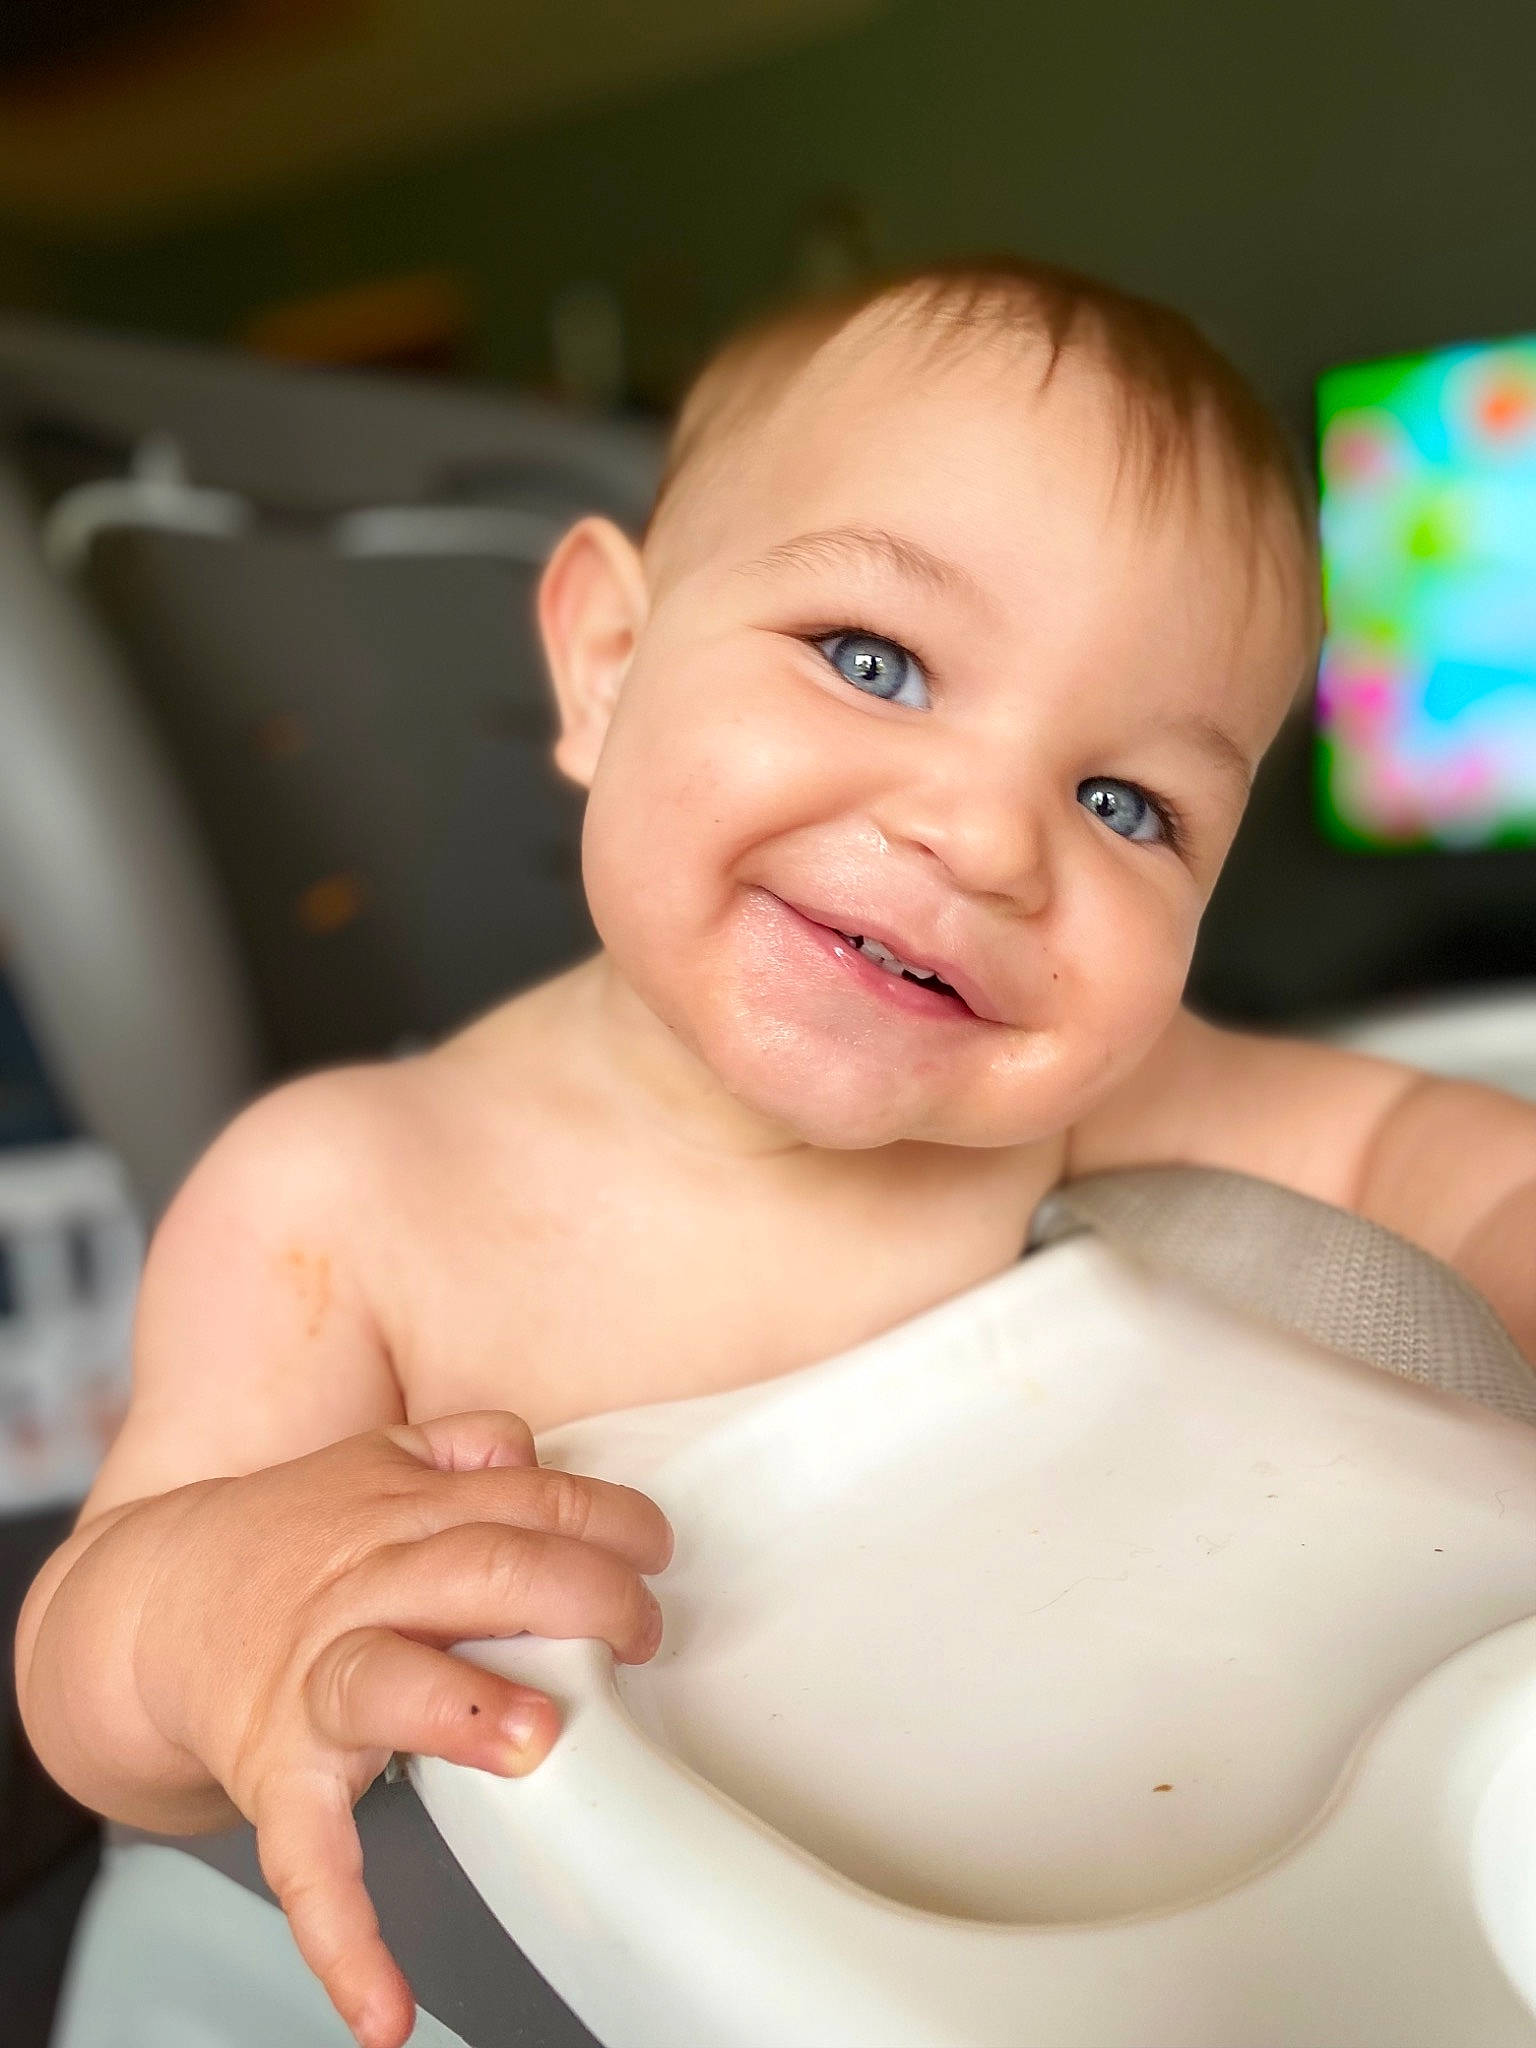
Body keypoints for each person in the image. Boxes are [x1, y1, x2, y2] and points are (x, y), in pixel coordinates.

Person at [16, 260, 1536, 2048]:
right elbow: (84, 1663)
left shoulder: (1074, 1104)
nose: (986, 837)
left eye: (1125, 803)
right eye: (873, 662)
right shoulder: (345, 1200)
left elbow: (1422, 1149)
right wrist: (213, 1611)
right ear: (606, 662)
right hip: (449, 1986)